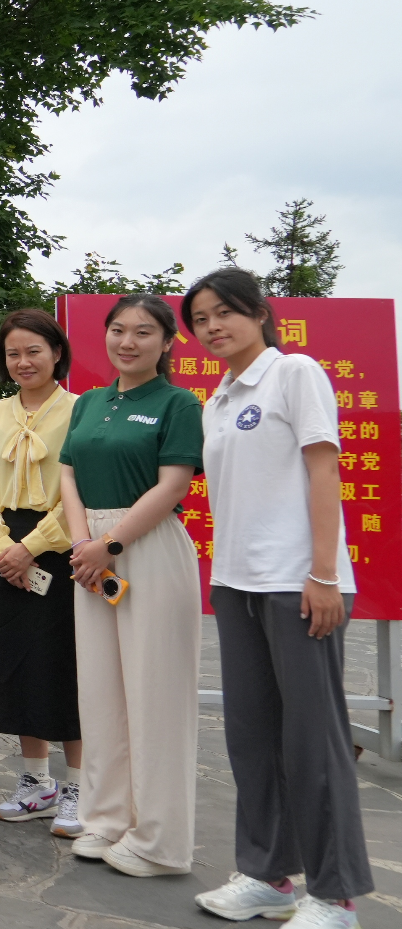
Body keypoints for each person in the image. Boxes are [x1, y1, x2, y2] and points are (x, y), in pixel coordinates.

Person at [184, 268, 370, 929]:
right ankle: (268, 876)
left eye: (224, 312)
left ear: (259, 312)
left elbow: (324, 468)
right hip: (236, 583)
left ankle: (335, 895)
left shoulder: (294, 373)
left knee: (314, 741)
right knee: (252, 738)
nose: (212, 326)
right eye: (200, 318)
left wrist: (324, 573)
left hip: (299, 584)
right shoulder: (217, 400)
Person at [58, 293, 203, 877]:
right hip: (89, 555)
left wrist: (109, 545)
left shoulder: (178, 403)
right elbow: (67, 473)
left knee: (156, 693)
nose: (128, 341)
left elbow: (173, 485)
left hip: (146, 547)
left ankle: (160, 842)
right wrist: (82, 545)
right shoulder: (90, 402)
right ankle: (106, 818)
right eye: (118, 329)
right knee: (99, 691)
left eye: (144, 332)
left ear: (166, 342)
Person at [0, 309, 83, 836]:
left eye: (33, 351)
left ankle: (81, 786)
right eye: (13, 353)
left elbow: (78, 490)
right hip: (2, 551)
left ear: (56, 352)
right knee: (13, 664)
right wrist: (3, 548)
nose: (23, 361)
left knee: (64, 667)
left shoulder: (80, 410)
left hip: (60, 547)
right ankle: (37, 781)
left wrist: (31, 547)